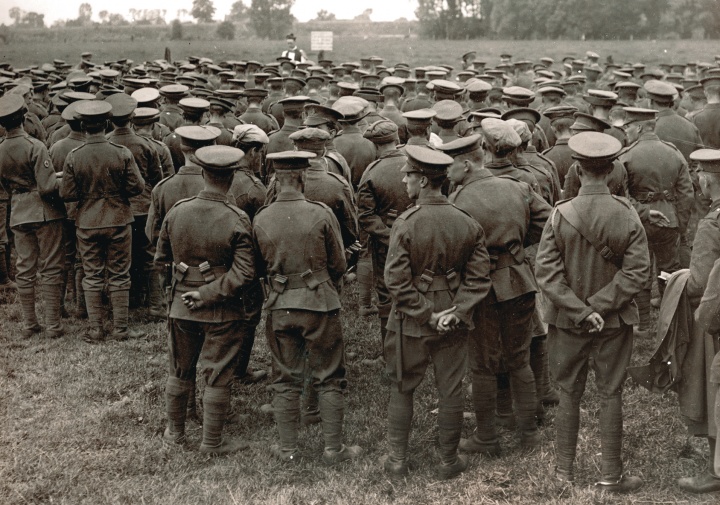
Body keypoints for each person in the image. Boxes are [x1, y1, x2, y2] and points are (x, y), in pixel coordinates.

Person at [535, 132, 650, 492]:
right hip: (613, 321)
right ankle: (610, 476)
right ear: (612, 169)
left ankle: (562, 474)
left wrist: (580, 311)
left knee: (568, 392)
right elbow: (637, 273)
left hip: (568, 323)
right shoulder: (627, 214)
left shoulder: (559, 214)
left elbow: (546, 275)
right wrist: (599, 308)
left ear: (577, 170)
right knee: (610, 392)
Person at [382, 145, 492, 480]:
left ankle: (397, 462)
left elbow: (396, 281)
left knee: (403, 386)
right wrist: (456, 312)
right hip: (452, 317)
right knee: (451, 388)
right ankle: (448, 462)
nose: (404, 179)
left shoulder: (406, 223)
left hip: (410, 319)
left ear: (426, 181)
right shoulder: (467, 223)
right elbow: (479, 279)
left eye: (409, 174)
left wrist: (425, 314)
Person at [440, 134, 551, 454]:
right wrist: (515, 246)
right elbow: (548, 223)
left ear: (466, 164)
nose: (447, 173)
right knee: (519, 359)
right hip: (518, 280)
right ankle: (528, 434)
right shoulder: (518, 187)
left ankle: (486, 437)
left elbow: (452, 250)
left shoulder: (458, 201)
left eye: (450, 166)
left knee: (482, 364)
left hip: (480, 288)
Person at [253, 151, 362, 464]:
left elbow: (259, 267)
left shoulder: (261, 216)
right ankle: (333, 449)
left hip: (280, 305)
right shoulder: (321, 212)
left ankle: (288, 450)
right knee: (329, 375)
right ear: (302, 178)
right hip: (319, 303)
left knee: (285, 377)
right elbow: (339, 263)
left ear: (276, 180)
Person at [155, 145, 257, 455]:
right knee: (218, 372)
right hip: (222, 310)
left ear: (202, 174)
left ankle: (174, 435)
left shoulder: (178, 210)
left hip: (181, 303)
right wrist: (208, 293)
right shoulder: (237, 218)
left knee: (180, 369)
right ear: (232, 178)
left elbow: (161, 259)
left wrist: (178, 293)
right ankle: (212, 442)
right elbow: (245, 273)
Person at [59, 100, 146, 342]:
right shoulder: (121, 152)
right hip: (118, 219)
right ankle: (121, 329)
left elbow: (67, 193)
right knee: (119, 274)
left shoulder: (74, 156)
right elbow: (137, 187)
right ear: (106, 124)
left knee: (91, 274)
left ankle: (96, 329)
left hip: (87, 222)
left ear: (83, 127)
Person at [618, 107, 694, 335]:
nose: (626, 132)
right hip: (668, 221)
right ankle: (668, 322)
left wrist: (642, 211)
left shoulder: (626, 156)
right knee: (668, 270)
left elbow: (621, 195)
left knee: (639, 270)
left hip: (638, 222)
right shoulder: (673, 152)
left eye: (628, 127)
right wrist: (679, 223)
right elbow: (686, 192)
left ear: (639, 127)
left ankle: (643, 324)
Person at [0, 94, 65, 338]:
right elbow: (47, 187)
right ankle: (53, 325)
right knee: (50, 266)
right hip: (44, 212)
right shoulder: (35, 146)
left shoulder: (0, 149)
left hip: (18, 211)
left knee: (24, 269)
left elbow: (4, 186)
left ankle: (29, 324)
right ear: (24, 117)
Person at [357, 120, 412, 364]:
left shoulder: (372, 172)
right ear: (396, 139)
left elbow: (366, 216)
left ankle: (390, 355)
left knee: (387, 297)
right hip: (418, 240)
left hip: (386, 245)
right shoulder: (414, 163)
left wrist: (391, 237)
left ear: (375, 145)